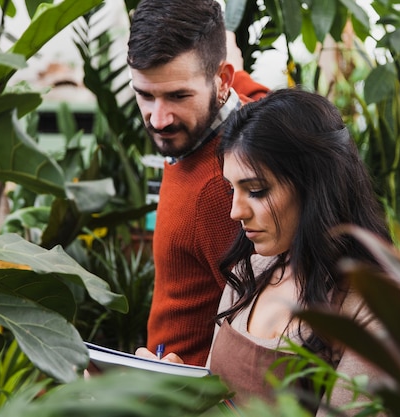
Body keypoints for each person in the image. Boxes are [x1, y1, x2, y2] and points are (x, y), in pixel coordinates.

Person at [138, 88, 391, 415]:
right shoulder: (249, 270)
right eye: (232, 189)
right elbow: (218, 402)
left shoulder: (370, 306)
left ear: (315, 185)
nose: (235, 211)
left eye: (255, 190)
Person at [127, 0, 269, 366]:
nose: (158, 120)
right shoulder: (244, 105)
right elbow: (259, 97)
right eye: (145, 94)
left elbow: (260, 331)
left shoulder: (223, 187)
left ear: (220, 80)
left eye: (177, 96)